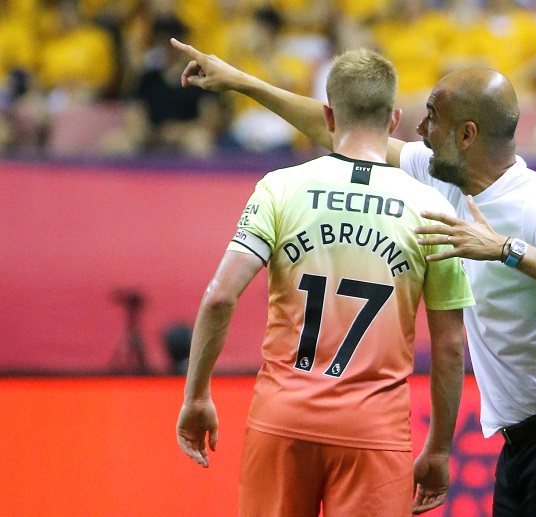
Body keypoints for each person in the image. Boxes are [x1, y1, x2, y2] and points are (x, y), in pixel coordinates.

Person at [171, 38, 536, 516]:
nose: (420, 127)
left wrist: (503, 249)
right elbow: (343, 127)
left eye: (433, 116)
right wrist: (240, 82)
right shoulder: (436, 179)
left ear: (467, 134)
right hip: (522, 443)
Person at [174, 44, 475, 517]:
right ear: (394, 119)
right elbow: (451, 345)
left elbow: (218, 298)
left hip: (281, 420)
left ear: (329, 115)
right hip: (374, 434)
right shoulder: (434, 210)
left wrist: (196, 395)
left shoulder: (278, 187)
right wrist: (438, 451)